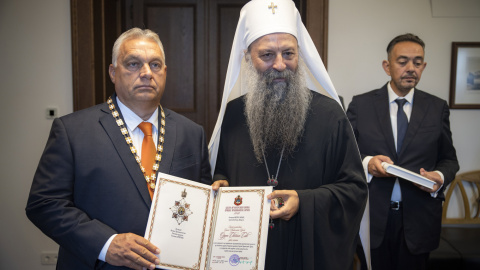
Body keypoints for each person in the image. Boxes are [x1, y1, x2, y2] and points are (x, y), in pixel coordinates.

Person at [26, 28, 211, 270]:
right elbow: (44, 204)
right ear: (113, 72)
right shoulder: (72, 131)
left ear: (165, 73)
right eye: (133, 64)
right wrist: (106, 244)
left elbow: (203, 202)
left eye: (155, 65)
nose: (146, 73)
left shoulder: (192, 133)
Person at [208, 1, 368, 269]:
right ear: (248, 58)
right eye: (267, 55)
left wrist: (304, 202)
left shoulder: (330, 116)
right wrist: (221, 181)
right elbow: (223, 169)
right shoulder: (234, 115)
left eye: (289, 54)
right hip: (244, 256)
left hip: (306, 256)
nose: (280, 65)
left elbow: (354, 190)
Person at [346, 33, 459, 270]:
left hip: (419, 221)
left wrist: (438, 178)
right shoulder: (361, 105)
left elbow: (449, 160)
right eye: (403, 61)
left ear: (424, 66)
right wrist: (368, 163)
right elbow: (345, 155)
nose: (411, 68)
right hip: (372, 218)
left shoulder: (437, 108)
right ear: (387, 66)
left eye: (417, 63)